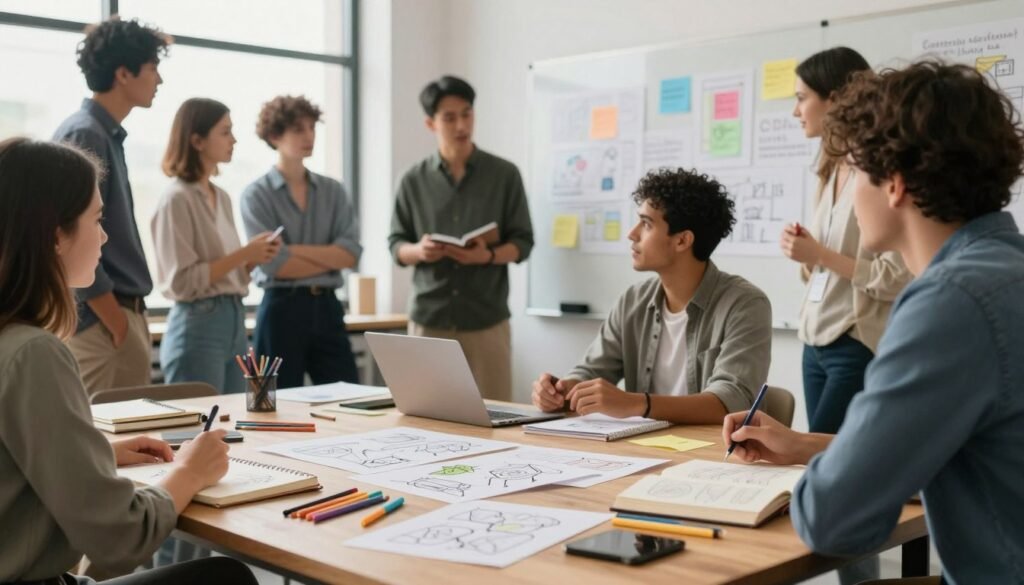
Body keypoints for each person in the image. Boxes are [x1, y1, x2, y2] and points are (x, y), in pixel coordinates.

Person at [723, 61, 1024, 585]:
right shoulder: (1005, 269)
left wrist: (830, 471)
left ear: (896, 185)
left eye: (858, 170)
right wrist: (811, 446)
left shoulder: (948, 303)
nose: (850, 190)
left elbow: (832, 520)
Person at [0, 137, 257, 584]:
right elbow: (121, 536)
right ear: (54, 236)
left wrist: (98, 456)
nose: (104, 236)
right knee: (226, 578)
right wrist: (188, 472)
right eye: (97, 220)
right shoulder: (33, 354)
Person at [532, 168, 771, 424]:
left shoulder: (745, 305)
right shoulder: (633, 300)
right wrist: (563, 390)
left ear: (682, 241)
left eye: (646, 224)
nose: (632, 234)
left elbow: (729, 401)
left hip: (708, 453)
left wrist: (637, 404)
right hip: (641, 448)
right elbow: (591, 371)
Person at [781, 47, 912, 434]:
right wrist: (805, 255)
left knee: (821, 460)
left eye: (802, 98)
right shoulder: (830, 167)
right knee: (811, 456)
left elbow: (896, 277)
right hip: (813, 339)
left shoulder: (875, 172)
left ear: (836, 99)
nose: (795, 111)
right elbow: (820, 271)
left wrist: (819, 253)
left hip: (856, 342)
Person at [389, 75, 534, 401]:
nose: (461, 124)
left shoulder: (504, 174)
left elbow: (523, 241)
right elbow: (395, 245)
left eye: (467, 114)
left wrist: (488, 256)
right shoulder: (412, 180)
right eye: (449, 117)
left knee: (494, 416)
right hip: (430, 319)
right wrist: (419, 251)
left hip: (487, 319)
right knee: (425, 416)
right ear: (430, 123)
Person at [52, 18, 169, 394]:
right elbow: (68, 232)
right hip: (102, 322)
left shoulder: (104, 134)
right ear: (123, 73)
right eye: (152, 69)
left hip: (116, 316)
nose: (159, 80)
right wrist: (115, 320)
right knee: (101, 442)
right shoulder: (85, 134)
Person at [152, 98, 281, 393]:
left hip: (233, 318)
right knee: (202, 425)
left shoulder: (221, 196)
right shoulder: (176, 199)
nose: (233, 140)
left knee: (233, 424)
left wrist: (252, 259)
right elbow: (183, 282)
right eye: (225, 132)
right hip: (198, 324)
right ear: (197, 140)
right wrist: (244, 254)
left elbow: (225, 272)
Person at [241, 95, 362, 389]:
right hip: (280, 309)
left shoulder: (333, 191)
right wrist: (326, 257)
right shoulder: (256, 194)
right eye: (298, 129)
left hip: (328, 307)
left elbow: (350, 255)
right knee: (273, 405)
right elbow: (274, 266)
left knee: (350, 397)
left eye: (312, 128)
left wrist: (291, 250)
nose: (309, 136)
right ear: (274, 136)